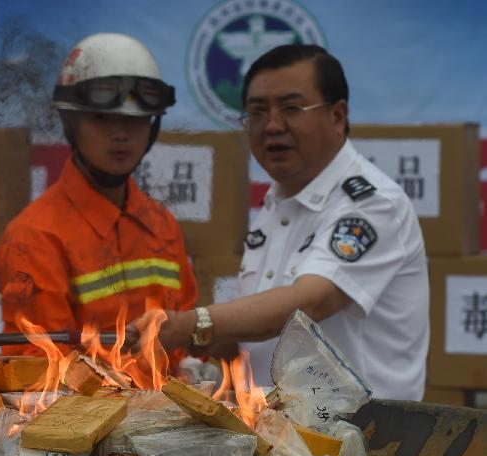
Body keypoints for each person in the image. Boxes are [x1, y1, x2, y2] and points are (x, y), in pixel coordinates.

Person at [126, 44, 429, 401]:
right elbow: (256, 336)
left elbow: (309, 304)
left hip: (365, 442)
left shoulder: (372, 204)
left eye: (291, 108)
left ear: (337, 115)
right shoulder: (276, 205)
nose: (272, 125)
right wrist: (178, 350)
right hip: (286, 438)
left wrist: (192, 324)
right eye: (257, 112)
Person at [0, 33, 198, 355]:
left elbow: (183, 341)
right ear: (69, 121)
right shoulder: (34, 237)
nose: (121, 134)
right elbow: (40, 378)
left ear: (153, 125)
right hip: (80, 406)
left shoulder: (162, 226)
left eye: (136, 119)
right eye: (103, 118)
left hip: (166, 404)